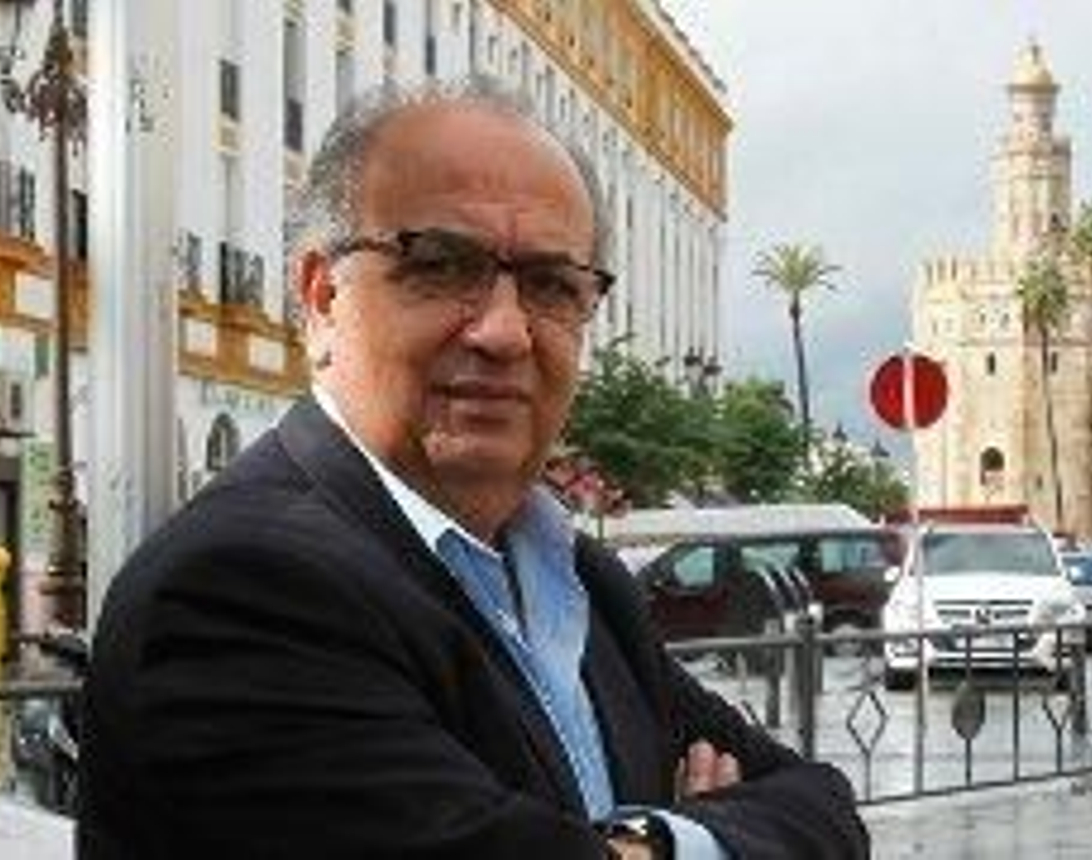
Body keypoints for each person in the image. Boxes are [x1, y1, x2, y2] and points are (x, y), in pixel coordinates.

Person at [79, 77, 868, 859]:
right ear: (322, 299)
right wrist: (693, 838)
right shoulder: (235, 590)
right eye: (442, 265)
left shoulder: (582, 587)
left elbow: (825, 809)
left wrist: (640, 842)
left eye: (552, 285)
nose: (504, 331)